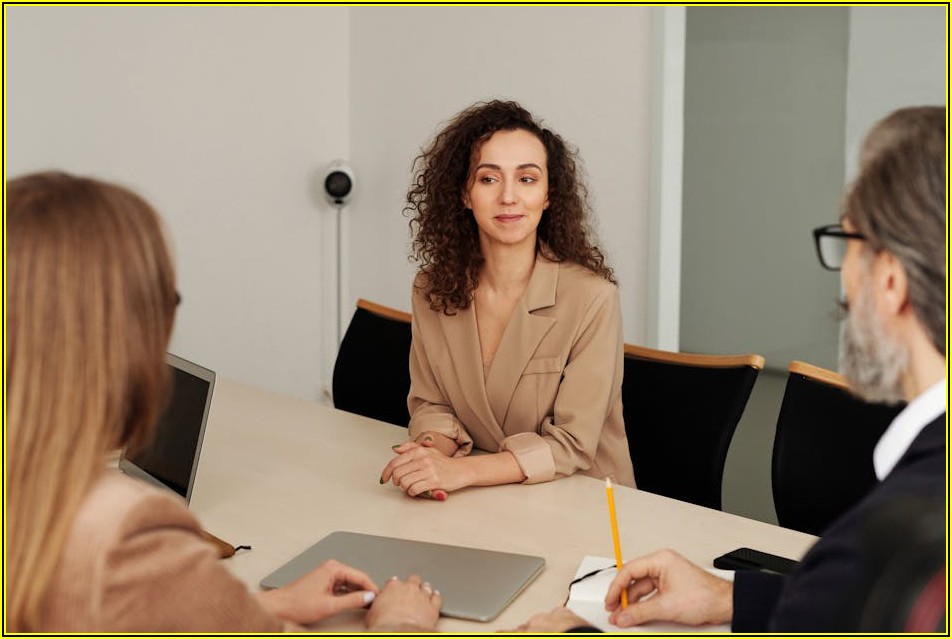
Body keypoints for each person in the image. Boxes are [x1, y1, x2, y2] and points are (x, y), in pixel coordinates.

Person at [516, 105, 946, 632]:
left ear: (890, 281)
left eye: (849, 245)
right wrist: (732, 597)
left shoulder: (903, 538)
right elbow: (843, 614)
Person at [4, 171, 442, 632]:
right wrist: (401, 622)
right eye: (164, 304)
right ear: (123, 332)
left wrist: (256, 608)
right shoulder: (126, 535)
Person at [379, 100, 635, 499]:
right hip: (484, 502)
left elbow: (572, 442)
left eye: (528, 179)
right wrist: (430, 455)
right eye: (488, 179)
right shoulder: (432, 289)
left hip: (583, 503)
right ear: (464, 194)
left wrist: (460, 472)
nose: (509, 197)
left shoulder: (593, 298)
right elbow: (432, 402)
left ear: (549, 195)